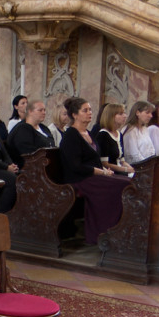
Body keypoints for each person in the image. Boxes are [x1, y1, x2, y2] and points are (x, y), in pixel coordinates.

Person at [59, 97, 131, 245]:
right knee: (123, 185)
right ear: (75, 115)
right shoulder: (71, 135)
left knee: (129, 182)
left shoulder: (88, 133)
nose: (90, 113)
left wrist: (105, 170)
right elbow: (76, 166)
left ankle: (121, 231)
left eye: (90, 110)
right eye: (85, 110)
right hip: (80, 179)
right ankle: (103, 234)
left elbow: (95, 160)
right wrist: (102, 172)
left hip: (94, 176)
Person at [6, 100, 55, 167]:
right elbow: (27, 153)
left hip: (49, 162)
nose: (44, 113)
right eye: (40, 110)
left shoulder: (44, 128)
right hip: (30, 167)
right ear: (30, 111)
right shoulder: (22, 129)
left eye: (44, 110)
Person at [94, 104, 134, 176]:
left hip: (120, 171)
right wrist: (125, 169)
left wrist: (131, 169)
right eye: (120, 114)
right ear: (111, 116)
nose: (125, 116)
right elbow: (104, 163)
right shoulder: (103, 135)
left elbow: (122, 161)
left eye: (124, 113)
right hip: (110, 173)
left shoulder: (119, 134)